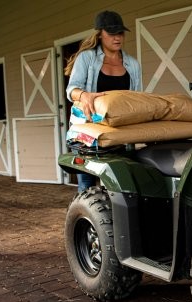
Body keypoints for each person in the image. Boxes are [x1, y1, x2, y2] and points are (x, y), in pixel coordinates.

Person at [64, 10, 142, 192]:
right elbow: (71, 89)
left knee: (117, 184)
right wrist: (84, 95)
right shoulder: (87, 58)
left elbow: (136, 99)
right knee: (87, 184)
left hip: (118, 132)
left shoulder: (133, 64)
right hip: (88, 132)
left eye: (120, 33)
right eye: (111, 33)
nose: (117, 38)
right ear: (100, 34)